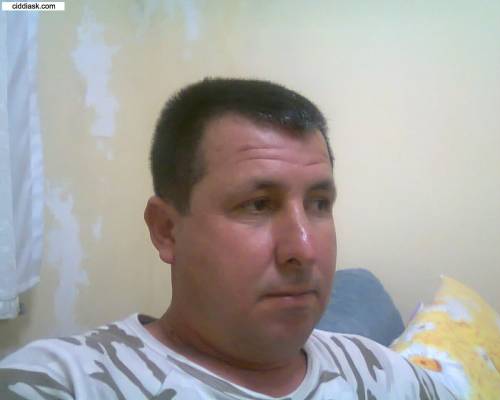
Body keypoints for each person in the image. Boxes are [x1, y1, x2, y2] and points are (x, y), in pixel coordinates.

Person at [0, 78, 457, 399]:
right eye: (257, 205)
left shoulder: (384, 375)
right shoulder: (61, 382)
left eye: (319, 204)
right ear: (166, 230)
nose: (304, 249)